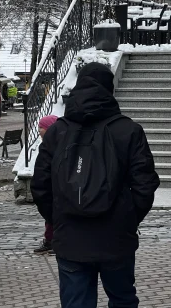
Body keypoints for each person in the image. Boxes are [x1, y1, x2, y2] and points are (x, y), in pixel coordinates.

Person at [31, 62, 160, 308]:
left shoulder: (57, 132)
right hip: (116, 237)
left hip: (70, 236)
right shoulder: (128, 130)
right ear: (109, 90)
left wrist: (58, 218)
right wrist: (128, 217)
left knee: (76, 303)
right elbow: (145, 184)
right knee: (122, 299)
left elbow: (40, 185)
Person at [32, 115, 58, 255]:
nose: (39, 131)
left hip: (53, 188)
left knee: (54, 216)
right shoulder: (48, 144)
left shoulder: (54, 145)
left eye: (41, 127)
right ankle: (50, 241)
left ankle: (54, 241)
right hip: (49, 188)